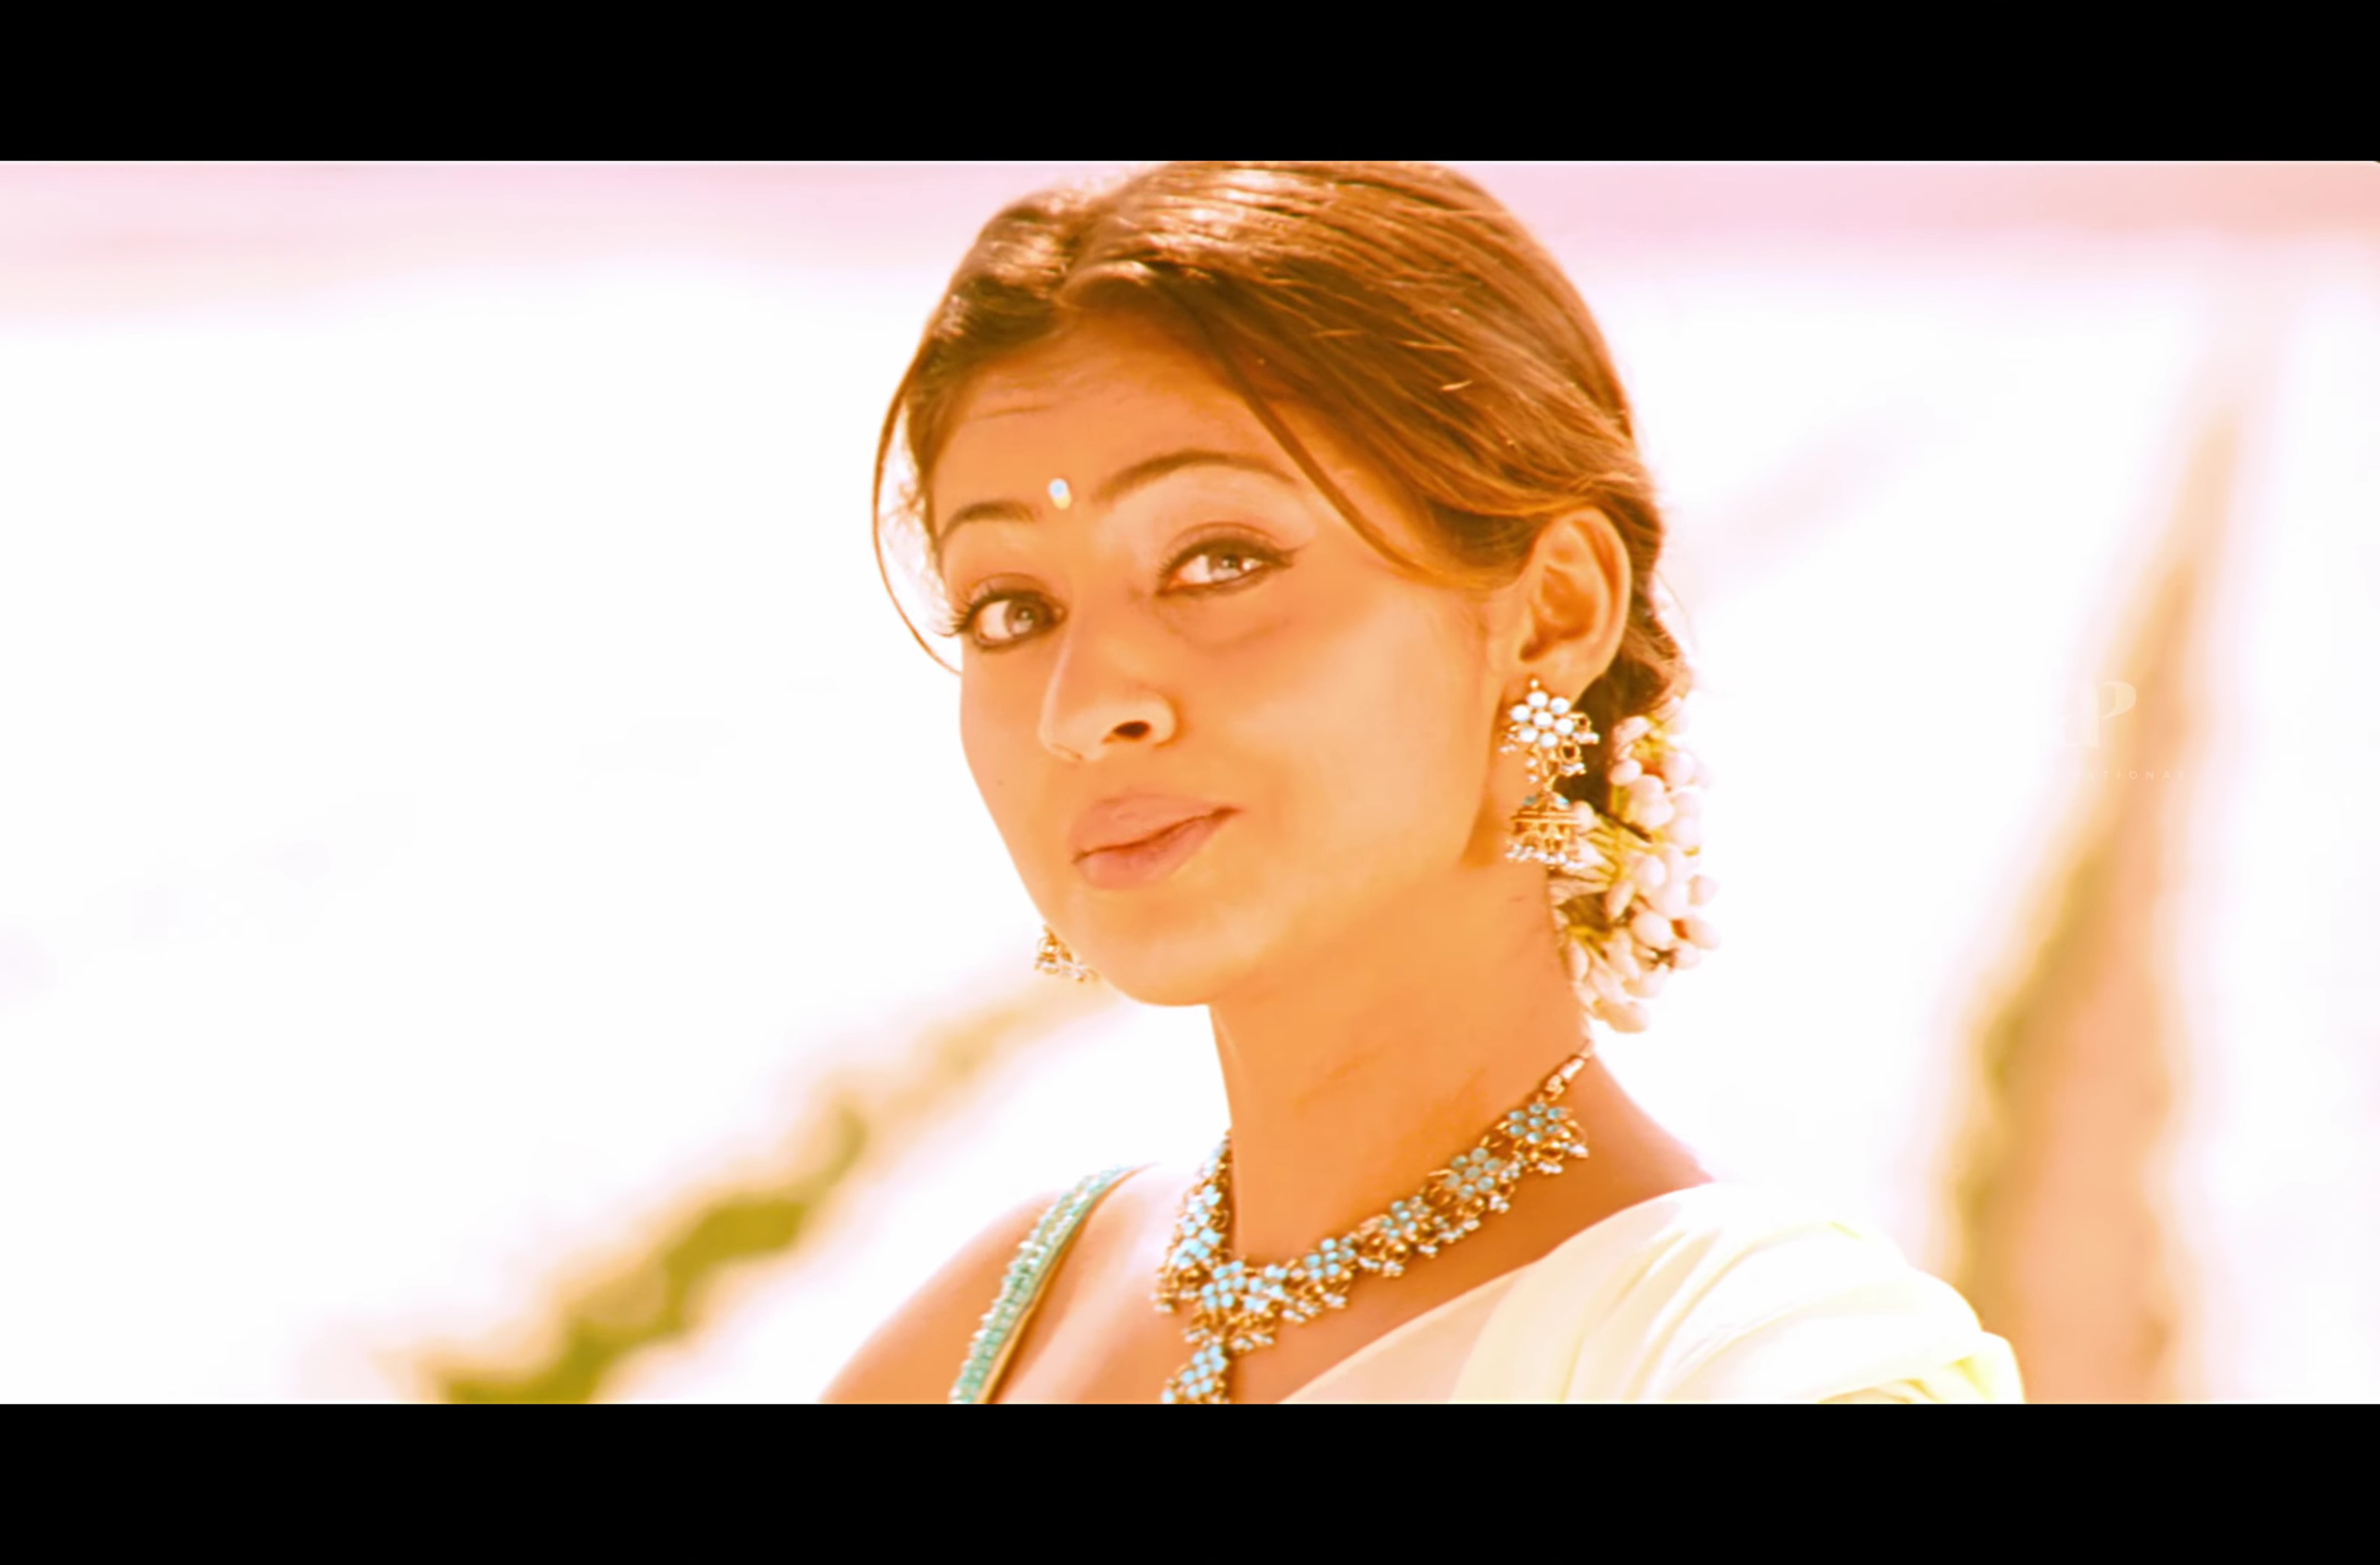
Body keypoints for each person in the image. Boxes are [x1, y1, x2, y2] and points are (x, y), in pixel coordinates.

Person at [823, 162, 2021, 1404]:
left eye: (1218, 560)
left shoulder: (1742, 1361)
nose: (1080, 708)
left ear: (1552, 614)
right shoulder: (993, 1330)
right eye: (1012, 608)